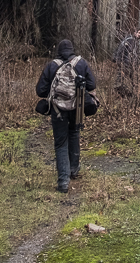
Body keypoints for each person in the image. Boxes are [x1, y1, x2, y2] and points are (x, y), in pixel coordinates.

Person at [36, 39, 95, 193]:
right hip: (77, 107)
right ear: (72, 50)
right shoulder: (81, 63)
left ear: (58, 51)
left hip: (58, 110)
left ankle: (63, 182)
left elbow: (40, 91)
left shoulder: (52, 65)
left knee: (61, 143)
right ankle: (74, 169)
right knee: (74, 134)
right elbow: (92, 85)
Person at [113, 29, 140, 96]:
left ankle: (126, 92)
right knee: (123, 77)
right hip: (126, 62)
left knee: (127, 77)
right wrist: (121, 60)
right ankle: (120, 92)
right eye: (138, 32)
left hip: (127, 62)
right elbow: (124, 51)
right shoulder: (130, 40)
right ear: (134, 32)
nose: (139, 34)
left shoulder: (130, 40)